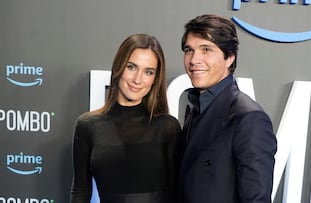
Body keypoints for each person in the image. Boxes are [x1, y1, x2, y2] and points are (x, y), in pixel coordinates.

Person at [177, 14, 277, 203]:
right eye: (189, 50)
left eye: (206, 49)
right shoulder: (195, 108)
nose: (194, 60)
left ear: (229, 57)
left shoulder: (249, 119)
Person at [70, 33, 181, 203]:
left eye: (148, 72)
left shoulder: (167, 127)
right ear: (118, 67)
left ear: (155, 79)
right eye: (131, 67)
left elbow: (178, 193)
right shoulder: (88, 125)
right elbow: (80, 191)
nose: (138, 79)